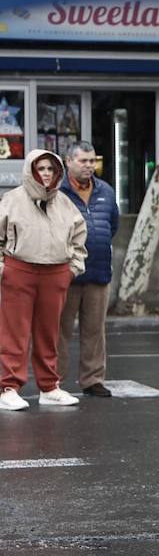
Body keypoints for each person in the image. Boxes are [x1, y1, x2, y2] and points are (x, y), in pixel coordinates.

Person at [0, 150, 86, 411]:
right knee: (14, 332)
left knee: (49, 334)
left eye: (51, 168)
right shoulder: (12, 200)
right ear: (31, 171)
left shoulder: (65, 203)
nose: (46, 173)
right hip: (19, 270)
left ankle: (49, 387)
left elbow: (79, 237)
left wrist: (73, 268)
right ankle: (9, 388)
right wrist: (3, 268)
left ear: (58, 171)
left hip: (56, 273)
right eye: (41, 169)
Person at [58, 141, 120, 398]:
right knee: (59, 330)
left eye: (92, 160)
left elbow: (112, 225)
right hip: (66, 272)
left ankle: (92, 379)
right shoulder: (58, 192)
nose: (89, 166)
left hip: (98, 271)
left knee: (95, 329)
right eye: (83, 161)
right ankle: (54, 381)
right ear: (68, 162)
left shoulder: (105, 190)